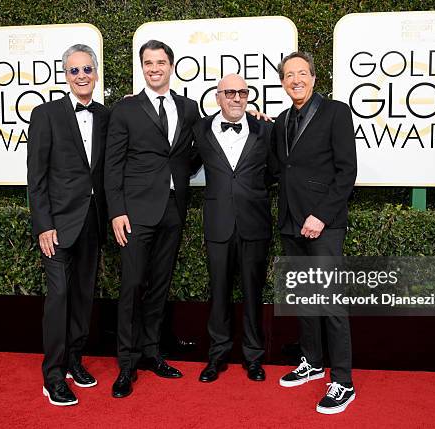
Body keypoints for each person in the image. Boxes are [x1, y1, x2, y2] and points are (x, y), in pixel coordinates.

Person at [104, 40, 200, 398]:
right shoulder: (126, 109)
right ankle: (126, 366)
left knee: (160, 285)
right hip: (135, 214)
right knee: (131, 287)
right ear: (142, 67)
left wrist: (255, 119)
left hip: (173, 210)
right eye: (148, 63)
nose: (154, 68)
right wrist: (117, 211)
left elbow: (197, 149)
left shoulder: (188, 108)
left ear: (171, 66)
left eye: (160, 62)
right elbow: (112, 165)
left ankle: (152, 353)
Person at [272, 51, 357, 414]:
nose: (296, 80)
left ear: (314, 77)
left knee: (331, 303)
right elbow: (280, 167)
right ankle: (312, 361)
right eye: (289, 75)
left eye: (302, 73)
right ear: (283, 82)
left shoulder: (336, 112)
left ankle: (343, 381)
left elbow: (346, 171)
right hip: (291, 221)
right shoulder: (281, 120)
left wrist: (321, 215)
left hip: (323, 224)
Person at [27, 44, 109, 406]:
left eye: (87, 69)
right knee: (59, 296)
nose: (81, 76)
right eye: (74, 70)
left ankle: (75, 359)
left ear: (95, 72)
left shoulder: (107, 116)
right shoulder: (46, 114)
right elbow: (36, 177)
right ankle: (54, 375)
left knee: (82, 296)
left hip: (93, 221)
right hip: (57, 225)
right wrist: (44, 224)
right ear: (65, 75)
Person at [192, 74, 276, 383]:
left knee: (253, 294)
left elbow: (276, 170)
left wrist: (249, 192)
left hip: (254, 223)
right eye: (230, 92)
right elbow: (184, 164)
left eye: (242, 92)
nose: (237, 97)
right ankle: (217, 356)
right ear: (218, 97)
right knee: (219, 294)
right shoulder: (199, 129)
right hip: (218, 224)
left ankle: (254, 357)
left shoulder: (265, 128)